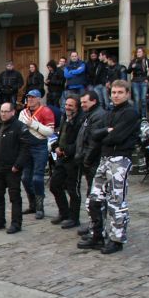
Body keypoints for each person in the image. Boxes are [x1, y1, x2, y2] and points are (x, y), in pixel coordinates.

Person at [78, 80, 139, 254]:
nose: (116, 95)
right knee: (94, 199)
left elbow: (116, 137)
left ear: (127, 93)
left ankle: (116, 239)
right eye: (113, 92)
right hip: (104, 159)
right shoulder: (110, 112)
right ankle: (97, 235)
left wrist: (105, 133)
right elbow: (94, 135)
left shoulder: (130, 113)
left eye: (120, 92)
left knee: (116, 202)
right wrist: (107, 132)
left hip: (120, 159)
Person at [0, 103, 30, 234]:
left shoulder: (19, 127)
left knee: (14, 196)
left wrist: (18, 165)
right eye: (1, 111)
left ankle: (16, 223)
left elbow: (25, 148)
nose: (3, 114)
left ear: (13, 112)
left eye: (6, 111)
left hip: (12, 168)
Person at [74, 90, 107, 237]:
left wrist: (86, 160)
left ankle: (98, 227)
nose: (82, 105)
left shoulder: (98, 115)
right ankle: (94, 224)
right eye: (81, 103)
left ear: (93, 101)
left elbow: (94, 142)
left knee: (95, 197)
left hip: (94, 162)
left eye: (84, 102)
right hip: (88, 160)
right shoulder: (89, 115)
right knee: (92, 195)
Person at [18, 90, 56, 219]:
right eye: (28, 97)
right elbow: (19, 127)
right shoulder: (23, 112)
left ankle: (40, 207)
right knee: (25, 178)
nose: (30, 99)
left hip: (40, 146)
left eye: (33, 97)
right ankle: (32, 204)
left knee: (37, 178)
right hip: (26, 147)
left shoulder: (46, 111)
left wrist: (33, 124)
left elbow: (50, 132)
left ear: (39, 99)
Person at [49, 95, 83, 229]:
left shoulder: (80, 121)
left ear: (77, 107)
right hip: (61, 159)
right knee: (54, 185)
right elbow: (60, 135)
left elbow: (79, 142)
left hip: (73, 160)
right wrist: (56, 146)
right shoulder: (64, 118)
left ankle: (74, 218)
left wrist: (66, 150)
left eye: (70, 105)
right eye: (66, 104)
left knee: (73, 190)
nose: (67, 107)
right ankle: (64, 212)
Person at [128, 47, 149, 119]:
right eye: (137, 52)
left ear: (143, 53)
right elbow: (128, 71)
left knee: (143, 99)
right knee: (136, 99)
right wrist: (132, 67)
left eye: (140, 52)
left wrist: (148, 79)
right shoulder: (133, 61)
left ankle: (143, 116)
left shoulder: (147, 61)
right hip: (135, 81)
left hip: (143, 80)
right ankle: (136, 116)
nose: (138, 53)